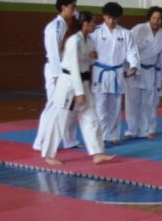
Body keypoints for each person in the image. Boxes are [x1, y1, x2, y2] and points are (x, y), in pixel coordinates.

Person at [39, 11, 115, 166]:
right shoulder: (74, 41)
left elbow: (88, 62)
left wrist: (93, 56)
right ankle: (48, 154)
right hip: (69, 84)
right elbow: (73, 67)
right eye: (93, 22)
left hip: (84, 82)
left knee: (91, 117)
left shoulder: (89, 41)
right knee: (60, 119)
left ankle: (98, 153)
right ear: (85, 24)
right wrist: (79, 93)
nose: (95, 24)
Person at [32, 0, 80, 151]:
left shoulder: (70, 22)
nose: (75, 10)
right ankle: (41, 141)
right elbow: (53, 54)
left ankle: (69, 140)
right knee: (53, 105)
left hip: (69, 70)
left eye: (75, 7)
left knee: (70, 107)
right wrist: (57, 76)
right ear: (63, 8)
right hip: (56, 70)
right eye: (72, 7)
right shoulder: (54, 28)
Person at [91, 2, 140, 145]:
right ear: (104, 16)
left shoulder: (125, 33)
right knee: (100, 107)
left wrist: (134, 65)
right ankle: (99, 138)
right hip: (100, 73)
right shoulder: (96, 32)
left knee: (115, 107)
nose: (111, 21)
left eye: (115, 19)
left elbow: (132, 51)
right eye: (109, 18)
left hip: (117, 73)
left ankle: (112, 136)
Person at [124, 7, 162, 140]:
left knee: (148, 102)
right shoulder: (138, 29)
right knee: (132, 102)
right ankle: (131, 130)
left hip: (150, 71)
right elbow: (127, 48)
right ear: (149, 18)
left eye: (159, 18)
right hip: (135, 69)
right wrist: (126, 68)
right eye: (154, 18)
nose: (156, 21)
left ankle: (145, 130)